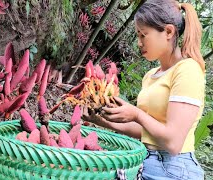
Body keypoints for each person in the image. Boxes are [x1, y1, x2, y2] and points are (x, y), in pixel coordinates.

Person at [83, 0, 206, 179]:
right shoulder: (151, 75)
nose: (139, 43)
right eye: (138, 35)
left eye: (143, 35)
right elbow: (148, 132)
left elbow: (173, 143)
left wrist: (136, 114)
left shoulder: (188, 70)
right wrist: (103, 121)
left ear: (169, 32)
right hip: (144, 160)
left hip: (173, 169)